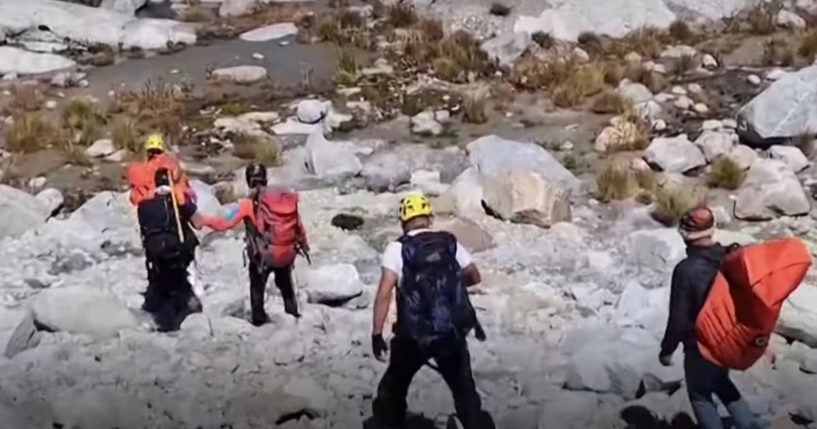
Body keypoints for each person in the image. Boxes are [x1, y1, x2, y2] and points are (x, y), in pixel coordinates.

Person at [369, 193, 493, 429]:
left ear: (403, 221)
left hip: (414, 335)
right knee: (465, 393)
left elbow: (384, 293)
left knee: (392, 389)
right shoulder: (448, 242)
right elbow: (474, 276)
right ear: (429, 217)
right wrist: (447, 290)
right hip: (450, 331)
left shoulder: (397, 249)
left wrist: (377, 333)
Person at [659, 207, 758, 429]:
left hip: (700, 345)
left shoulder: (686, 270)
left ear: (684, 234)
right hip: (730, 339)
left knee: (700, 394)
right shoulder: (729, 257)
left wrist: (667, 350)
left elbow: (679, 318)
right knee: (721, 382)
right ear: (713, 230)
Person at [204, 163, 309, 326]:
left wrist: (202, 219)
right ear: (266, 179)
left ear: (248, 180)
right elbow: (299, 225)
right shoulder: (281, 199)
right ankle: (293, 315)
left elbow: (224, 224)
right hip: (285, 252)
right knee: (286, 286)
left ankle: (259, 321)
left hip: (263, 257)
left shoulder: (247, 204)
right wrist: (304, 244)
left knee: (257, 286)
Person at [137, 168, 222, 331]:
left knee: (161, 285)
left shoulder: (144, 206)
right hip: (175, 252)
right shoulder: (177, 201)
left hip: (154, 255)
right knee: (180, 286)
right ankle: (184, 314)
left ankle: (159, 314)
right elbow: (197, 222)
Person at [127, 134, 192, 207]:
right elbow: (177, 176)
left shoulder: (141, 167)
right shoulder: (169, 161)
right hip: (168, 202)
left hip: (152, 203)